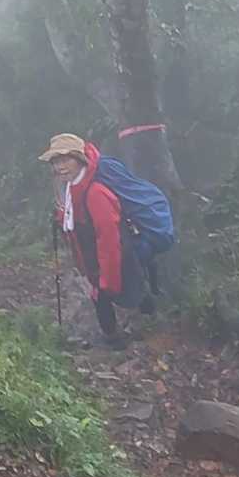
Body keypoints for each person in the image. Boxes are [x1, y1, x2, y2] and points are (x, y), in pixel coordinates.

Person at [40, 132, 173, 348]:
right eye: (56, 161)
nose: (60, 166)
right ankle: (143, 327)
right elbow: (76, 220)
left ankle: (121, 340)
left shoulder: (96, 193)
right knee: (129, 291)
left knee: (109, 295)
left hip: (115, 259)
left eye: (65, 159)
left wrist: (107, 280)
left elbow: (109, 239)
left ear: (79, 159)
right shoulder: (74, 185)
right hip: (100, 260)